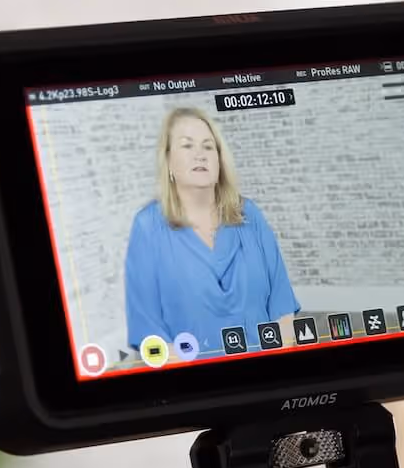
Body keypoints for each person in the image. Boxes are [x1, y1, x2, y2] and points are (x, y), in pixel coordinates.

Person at [124, 107, 298, 354]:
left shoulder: (249, 214)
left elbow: (282, 305)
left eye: (208, 146)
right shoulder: (147, 227)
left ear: (219, 160)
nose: (200, 155)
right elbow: (150, 330)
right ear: (168, 161)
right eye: (187, 146)